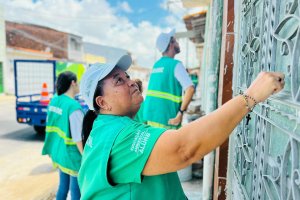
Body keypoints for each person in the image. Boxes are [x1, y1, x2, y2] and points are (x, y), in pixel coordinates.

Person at [78, 53, 285, 199]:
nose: (131, 82)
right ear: (102, 103)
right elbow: (183, 149)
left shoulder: (109, 126)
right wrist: (250, 97)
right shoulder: (115, 136)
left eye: (127, 77)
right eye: (118, 81)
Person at [42, 71, 84, 200]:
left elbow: (50, 128)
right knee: (76, 193)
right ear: (73, 83)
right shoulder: (73, 107)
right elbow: (78, 138)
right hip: (72, 157)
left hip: (58, 153)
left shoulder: (54, 101)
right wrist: (86, 156)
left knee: (63, 187)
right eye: (78, 82)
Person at [143, 29, 195, 129]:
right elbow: (190, 89)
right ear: (170, 44)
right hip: (168, 120)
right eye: (175, 41)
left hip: (151, 116)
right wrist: (180, 113)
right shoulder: (175, 65)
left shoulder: (156, 65)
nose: (177, 43)